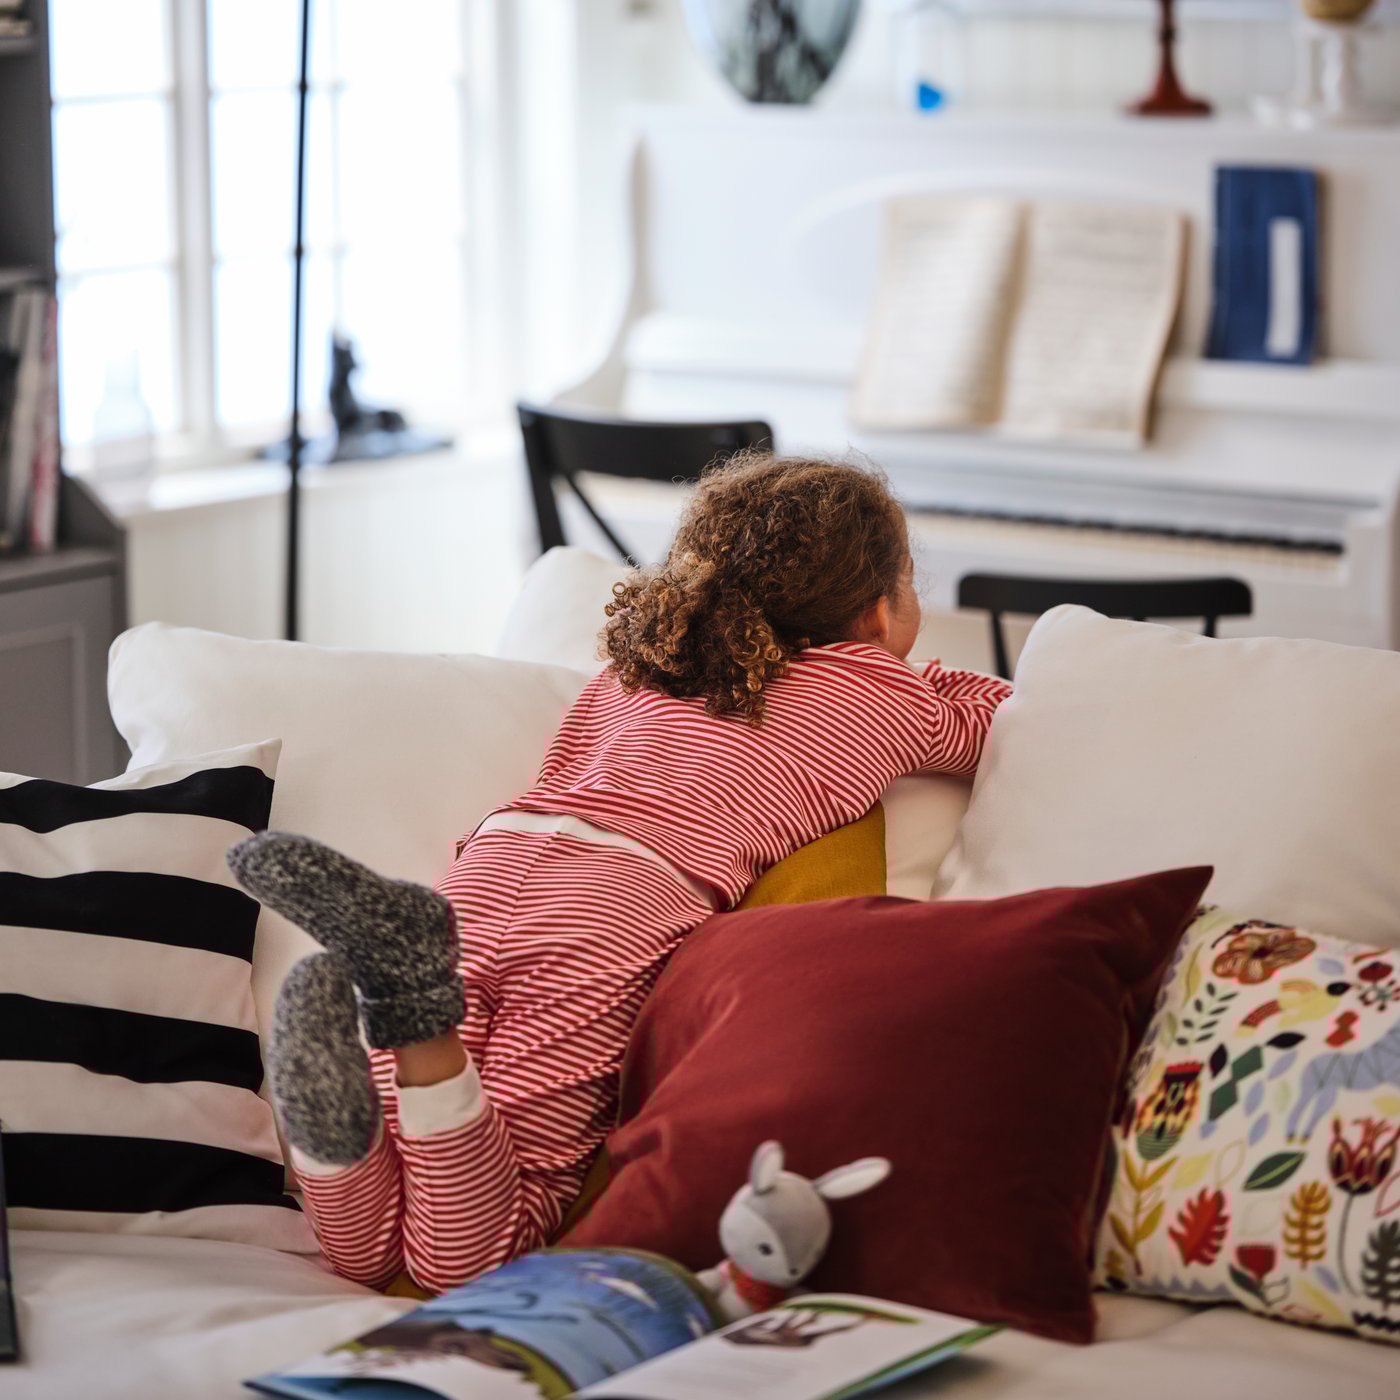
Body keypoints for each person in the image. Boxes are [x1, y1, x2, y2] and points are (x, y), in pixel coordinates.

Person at [228, 453, 1012, 1293]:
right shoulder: (876, 688)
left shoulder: (640, 667)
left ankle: (344, 1117)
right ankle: (420, 1026)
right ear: (878, 608)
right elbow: (998, 717)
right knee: (479, 1251)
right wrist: (916, 670)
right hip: (617, 906)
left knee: (374, 1253)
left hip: (495, 869)